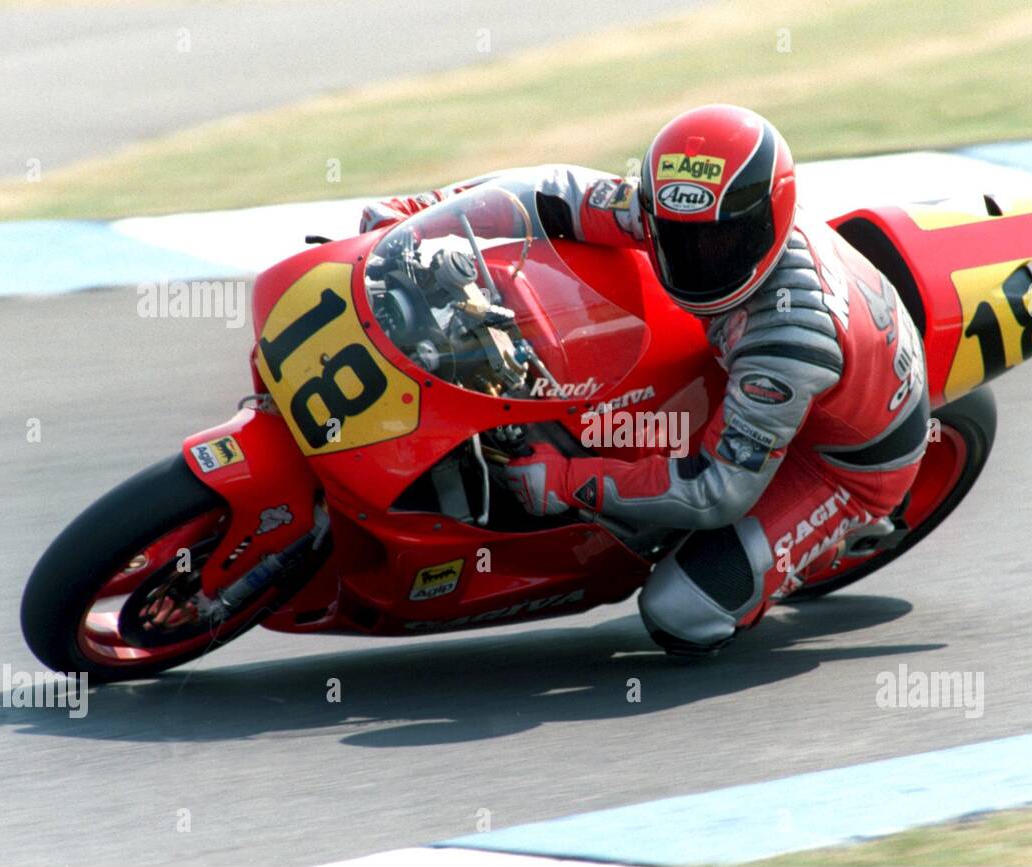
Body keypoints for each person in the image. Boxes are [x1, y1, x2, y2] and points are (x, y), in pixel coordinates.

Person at [360, 104, 927, 657]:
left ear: (762, 224)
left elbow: (716, 489)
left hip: (842, 459)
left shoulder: (789, 342)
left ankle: (818, 540)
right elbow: (552, 194)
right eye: (678, 238)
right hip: (762, 354)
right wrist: (422, 212)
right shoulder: (679, 214)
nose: (695, 256)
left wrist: (566, 479)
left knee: (680, 612)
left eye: (718, 243)